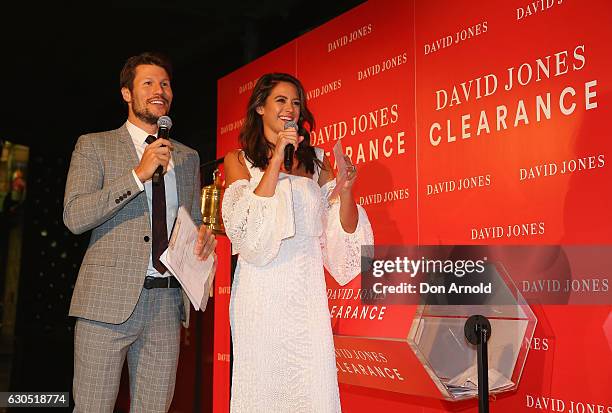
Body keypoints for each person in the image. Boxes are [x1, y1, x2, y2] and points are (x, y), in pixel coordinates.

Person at [63, 52, 217, 412]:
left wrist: (202, 240)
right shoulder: (94, 146)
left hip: (165, 305)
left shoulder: (188, 156)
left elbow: (190, 224)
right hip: (105, 305)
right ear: (127, 94)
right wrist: (137, 176)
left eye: (164, 84)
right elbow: (75, 215)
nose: (158, 90)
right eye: (147, 83)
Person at [222, 73, 374, 412]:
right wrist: (277, 157)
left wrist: (346, 190)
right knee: (262, 390)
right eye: (280, 100)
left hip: (306, 297)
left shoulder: (316, 161)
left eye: (295, 102)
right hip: (260, 295)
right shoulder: (238, 160)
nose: (290, 108)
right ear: (260, 107)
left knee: (311, 391)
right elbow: (245, 229)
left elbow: (343, 234)